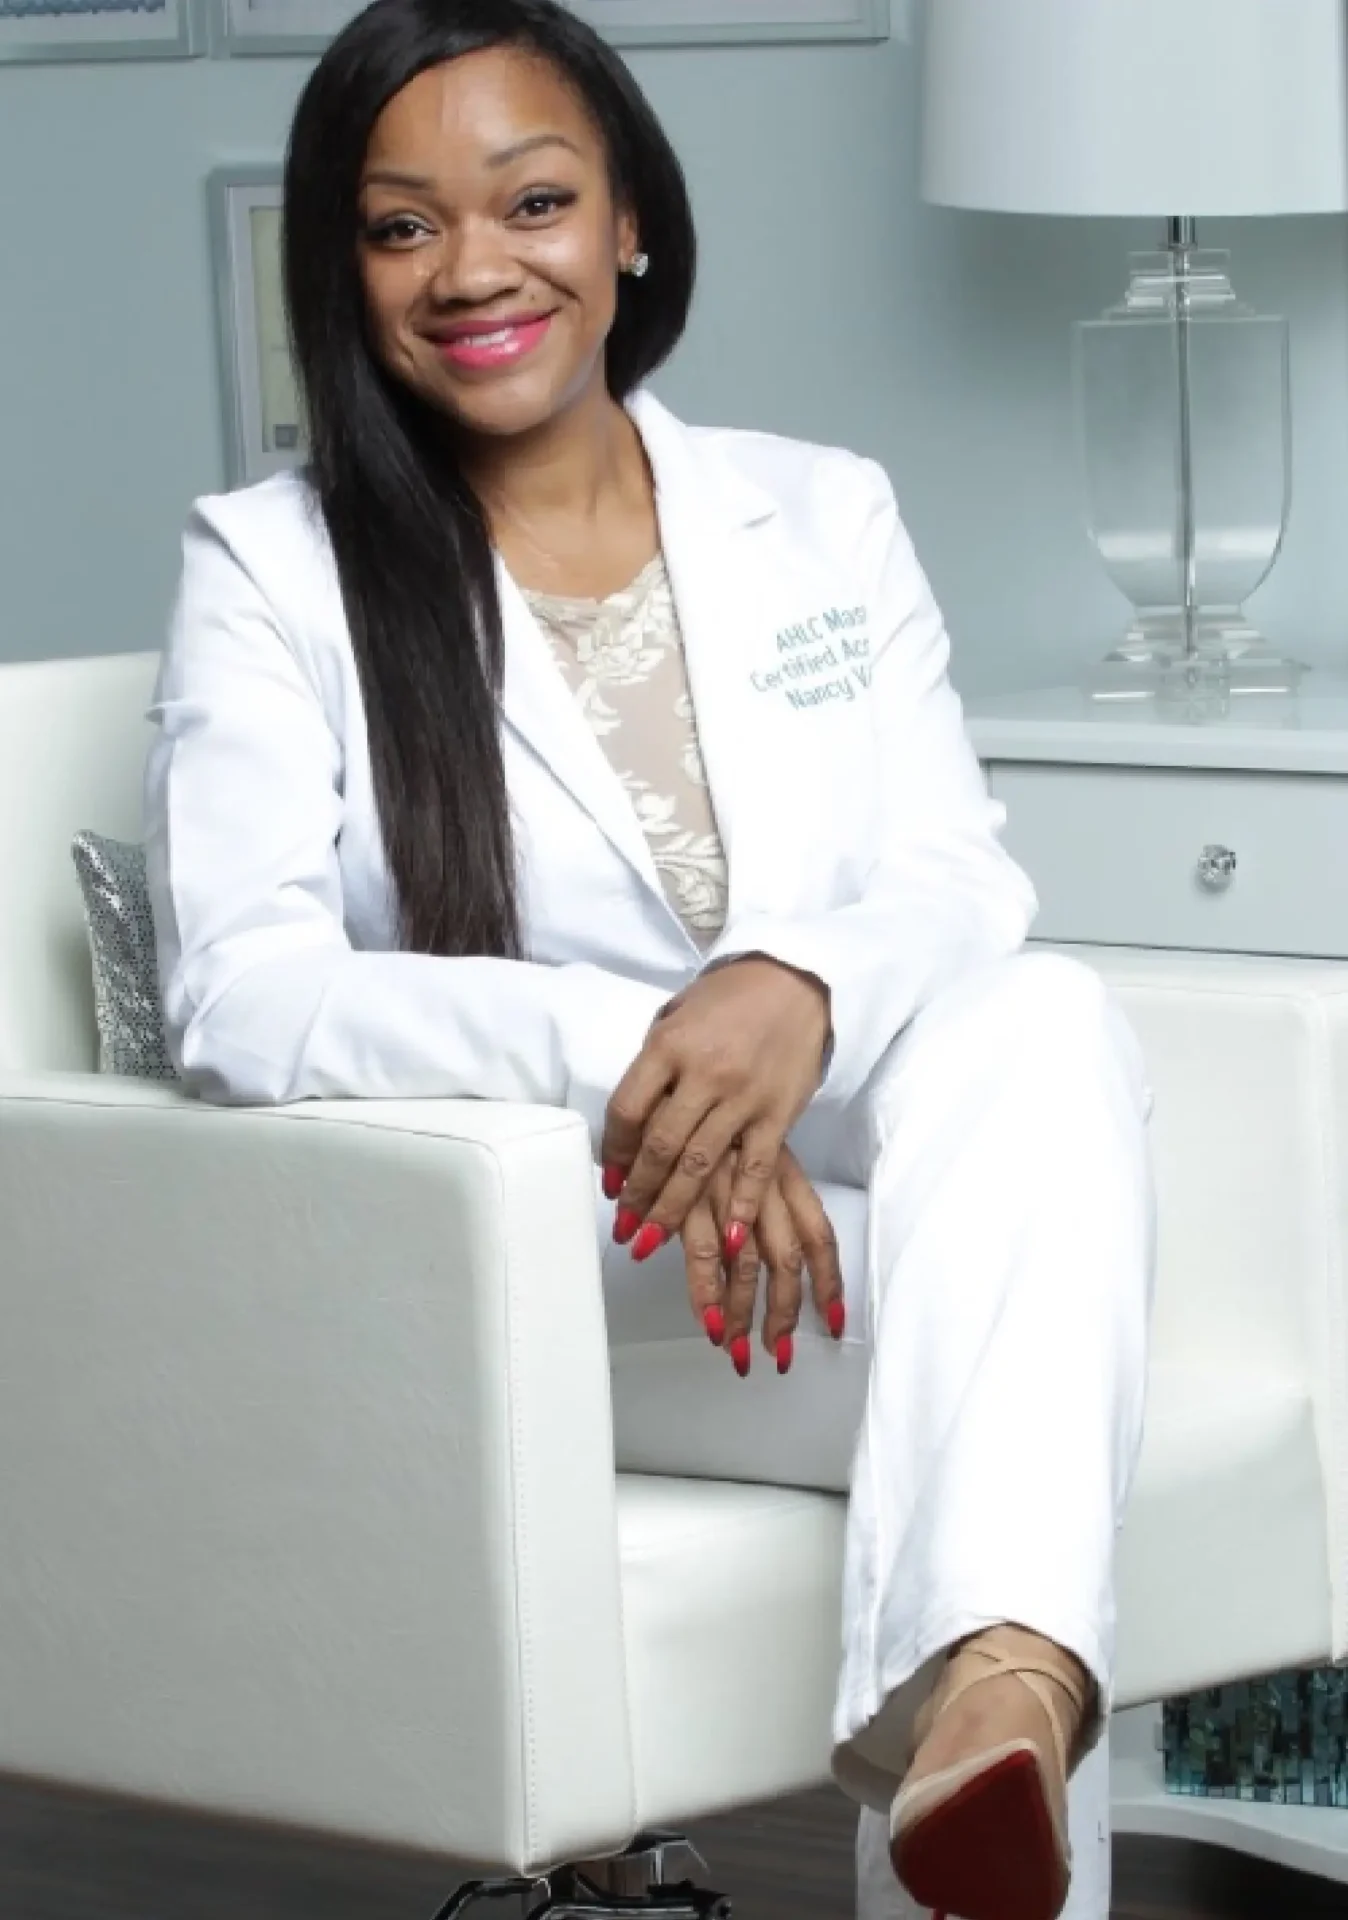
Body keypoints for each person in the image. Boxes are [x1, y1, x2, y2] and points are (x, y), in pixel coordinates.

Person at [142, 3, 1154, 1915]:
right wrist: (658, 1050)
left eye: (531, 200)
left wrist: (796, 991)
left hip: (844, 1230)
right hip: (571, 1276)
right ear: (341, 272)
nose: (473, 270)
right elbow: (241, 994)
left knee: (1043, 1007)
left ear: (629, 230)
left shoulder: (822, 509)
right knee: (1036, 1365)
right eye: (398, 226)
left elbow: (957, 875)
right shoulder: (270, 566)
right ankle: (1015, 1681)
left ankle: (999, 1693)